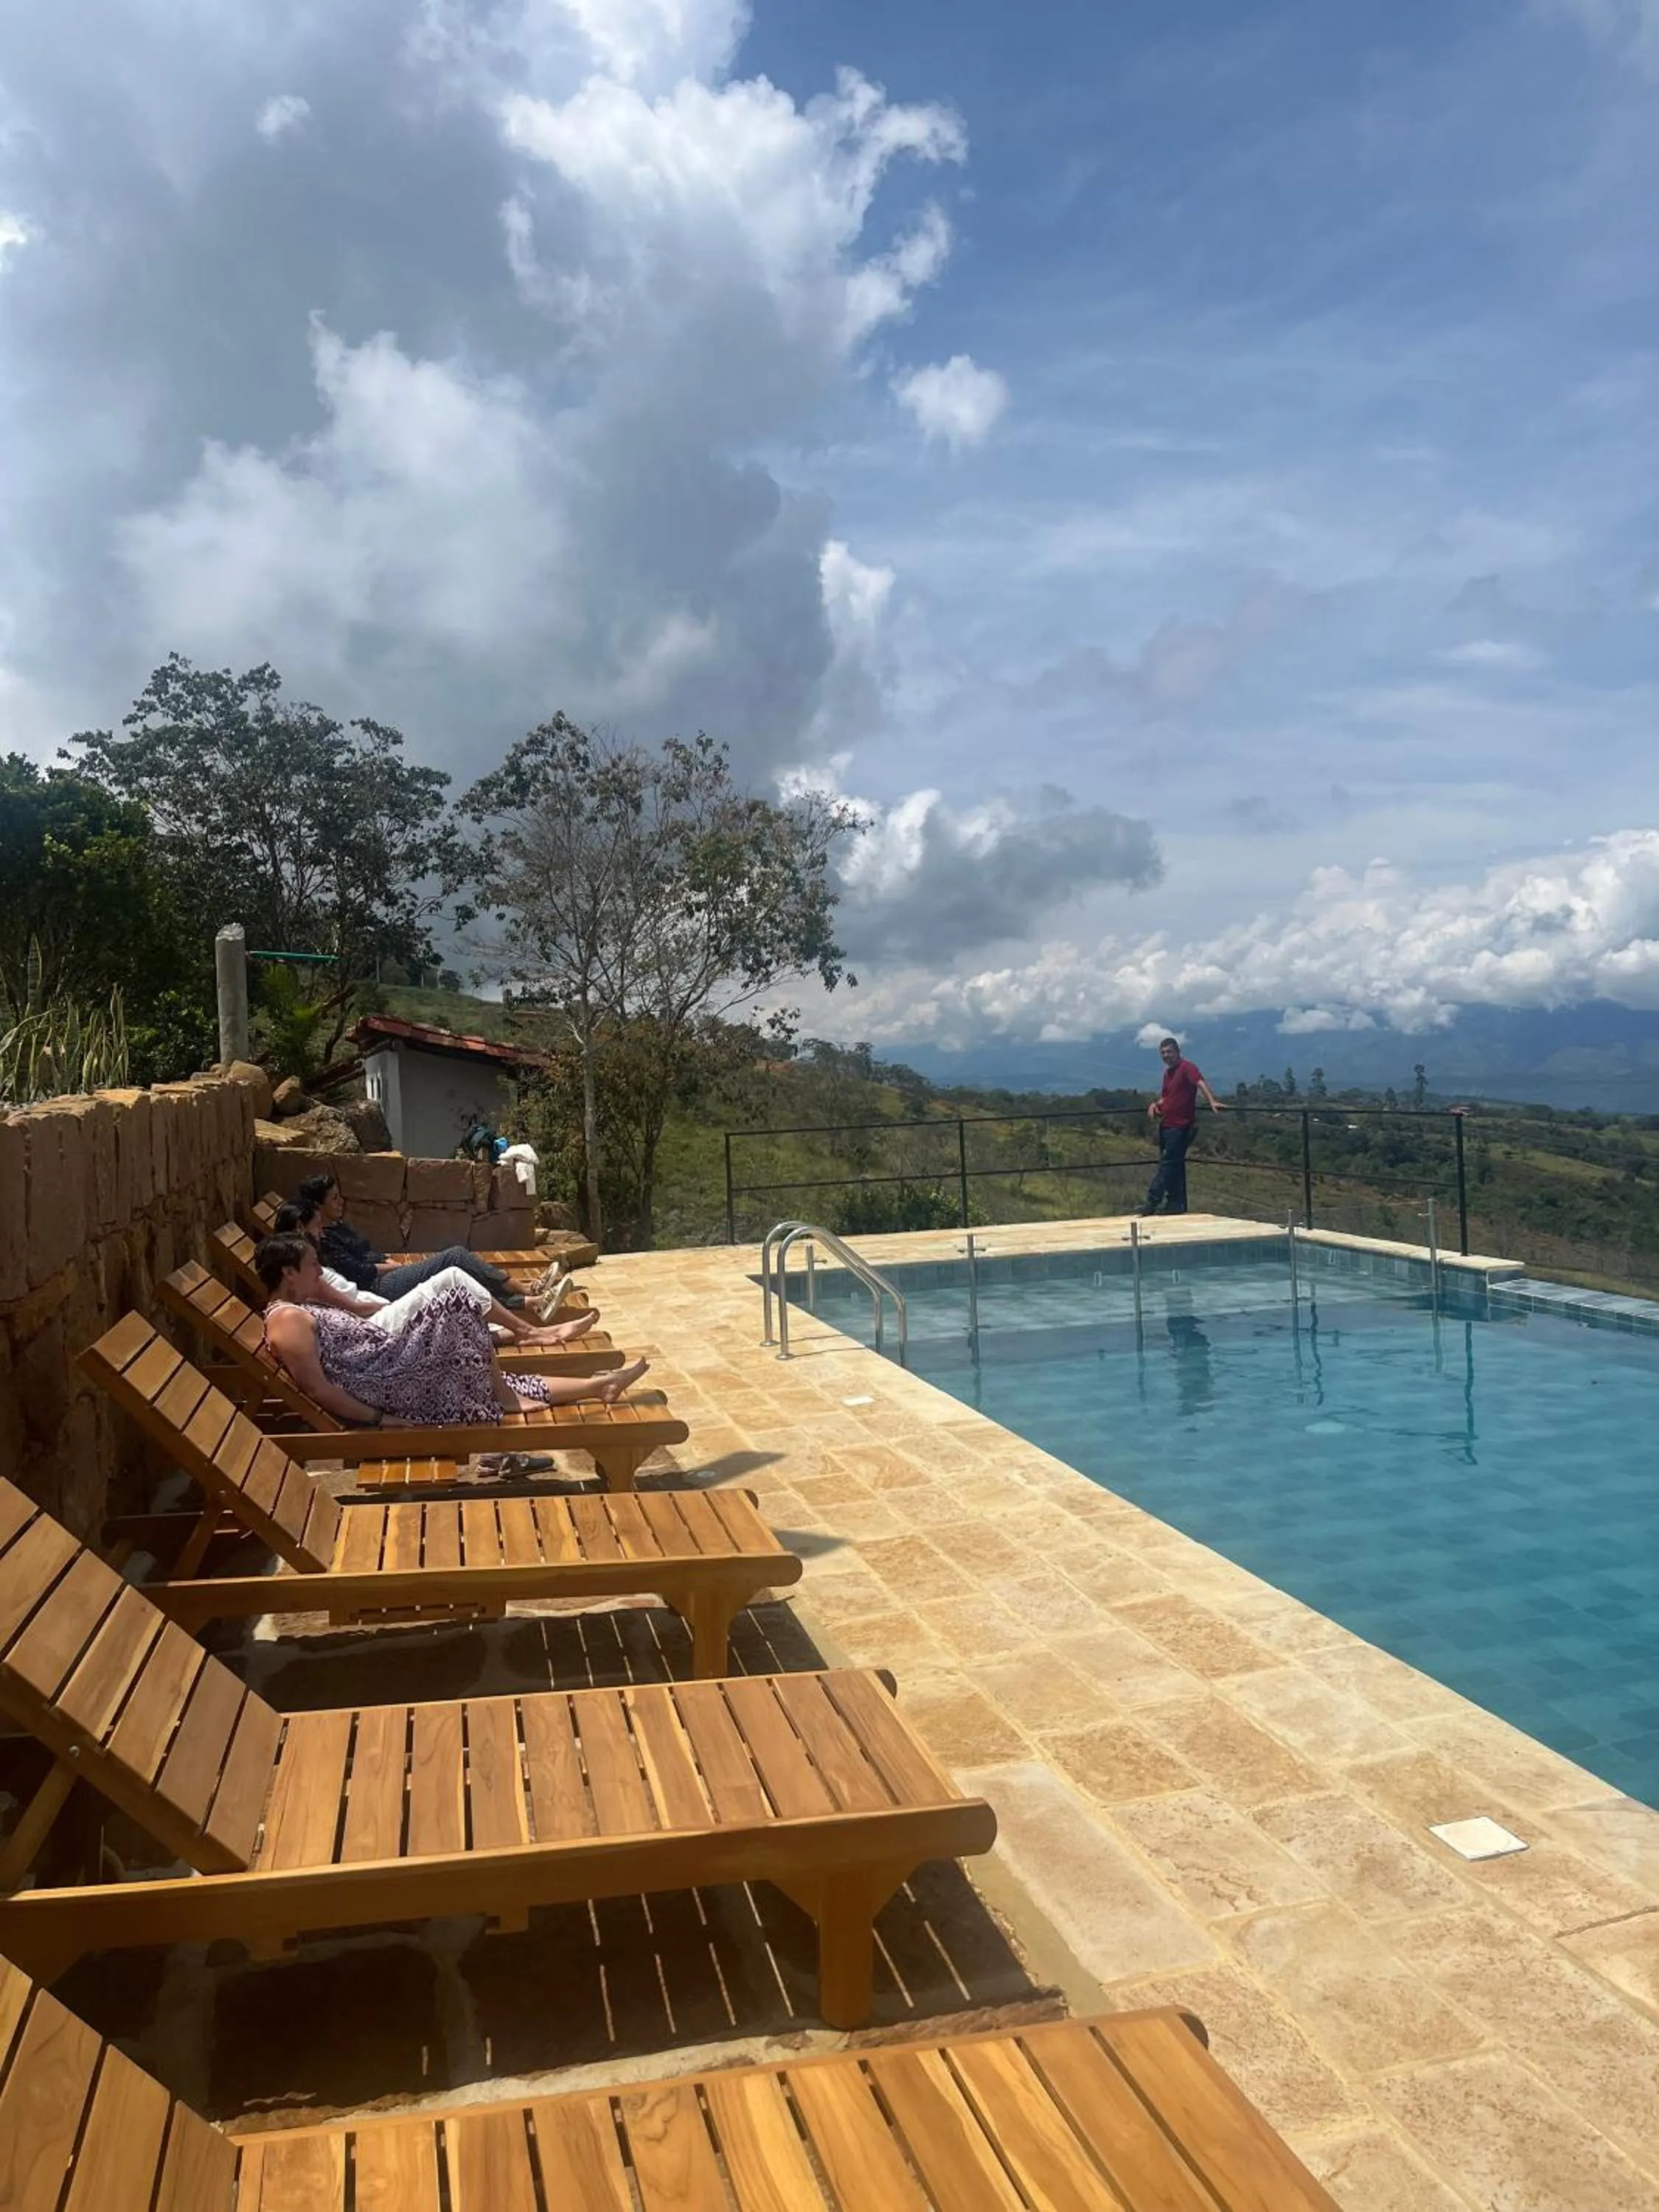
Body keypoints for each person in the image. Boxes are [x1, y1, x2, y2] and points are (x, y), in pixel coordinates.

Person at [254, 1233, 647, 1428]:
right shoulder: (286, 1321)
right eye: (311, 1267)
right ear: (288, 1273)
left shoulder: (297, 1308)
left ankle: (602, 1385)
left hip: (389, 1358)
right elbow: (319, 1389)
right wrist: (380, 1420)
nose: (320, 1274)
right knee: (456, 1287)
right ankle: (529, 1342)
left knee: (488, 1363)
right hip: (387, 1376)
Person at [270, 1201, 599, 1351]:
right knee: (453, 1271)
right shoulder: (307, 1271)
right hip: (381, 1308)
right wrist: (399, 1298)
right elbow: (354, 1306)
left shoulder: (311, 1261)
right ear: (301, 1229)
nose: (322, 1230)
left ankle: (533, 1320)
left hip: (380, 1307)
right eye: (316, 1225)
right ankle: (529, 1319)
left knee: (456, 1294)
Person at [295, 1171, 519, 1303]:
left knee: (459, 1283)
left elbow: (367, 1254)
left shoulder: (337, 1226)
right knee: (455, 1256)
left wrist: (384, 1259)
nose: (341, 1201)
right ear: (318, 1205)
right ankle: (517, 1288)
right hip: (378, 1287)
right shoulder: (325, 1241)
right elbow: (360, 1273)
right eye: (334, 1199)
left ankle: (524, 1301)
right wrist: (396, 1267)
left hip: (385, 1274)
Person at [1142, 1035, 1223, 1217]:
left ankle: (1151, 1202)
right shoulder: (1168, 1073)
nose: (1166, 1055)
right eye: (1163, 1053)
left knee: (1168, 1165)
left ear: (1178, 1052)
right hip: (1167, 1124)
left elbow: (1200, 1082)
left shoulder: (1188, 1067)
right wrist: (1156, 1104)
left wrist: (1212, 1101)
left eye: (1169, 1052)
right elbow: (1168, 1096)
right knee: (1175, 1166)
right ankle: (1175, 1204)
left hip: (1180, 1126)